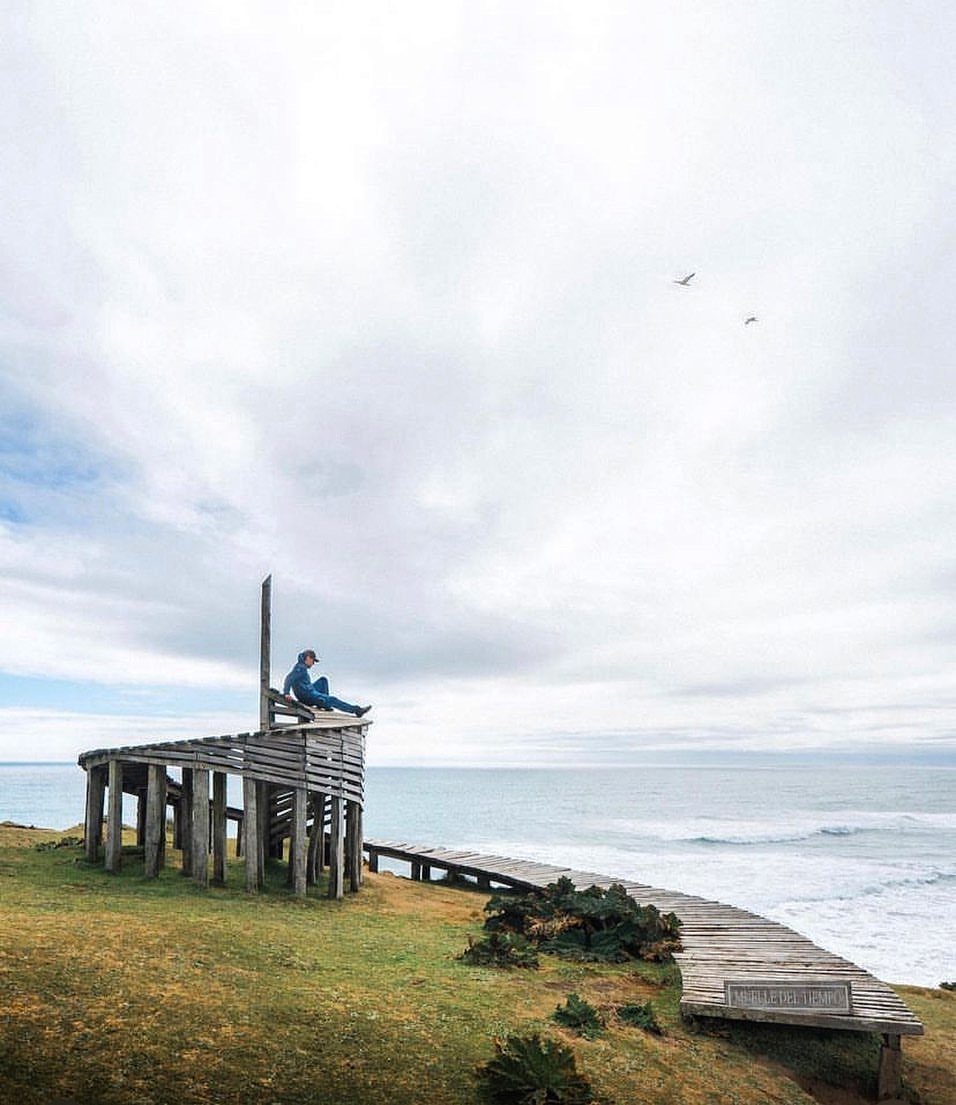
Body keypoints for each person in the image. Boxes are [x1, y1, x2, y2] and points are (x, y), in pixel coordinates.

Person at [283, 649, 371, 718]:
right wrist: (286, 693)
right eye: (313, 661)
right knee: (333, 699)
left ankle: (324, 704)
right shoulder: (300, 668)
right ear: (308, 658)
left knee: (323, 680)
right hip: (307, 696)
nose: (313, 664)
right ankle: (357, 710)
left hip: (309, 691)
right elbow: (289, 678)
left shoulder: (301, 666)